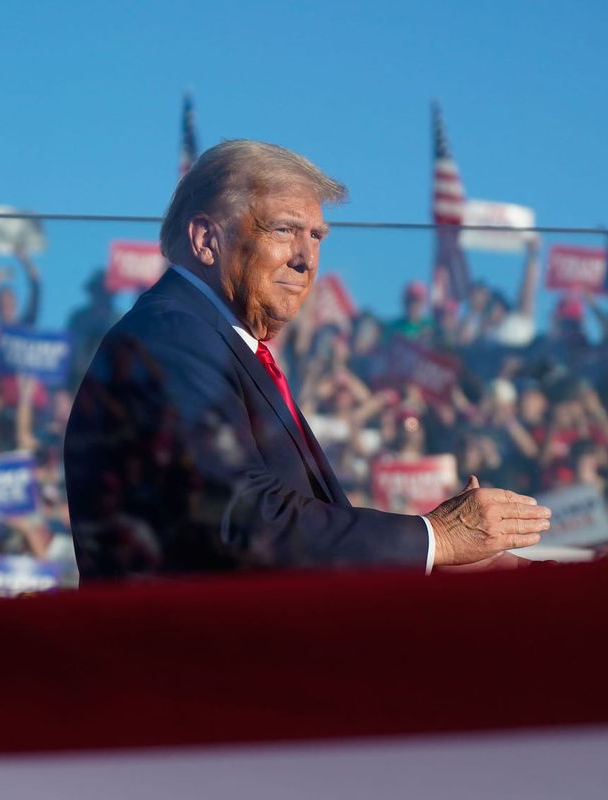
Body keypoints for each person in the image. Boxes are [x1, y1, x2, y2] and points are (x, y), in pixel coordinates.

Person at [65, 140, 551, 579]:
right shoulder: (172, 334)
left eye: (316, 236)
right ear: (206, 241)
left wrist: (436, 562)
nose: (307, 258)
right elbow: (240, 519)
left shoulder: (221, 341)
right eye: (284, 230)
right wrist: (433, 538)